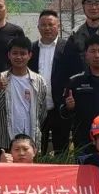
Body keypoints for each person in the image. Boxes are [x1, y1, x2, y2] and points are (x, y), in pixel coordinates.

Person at [0, 35, 51, 158]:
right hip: (6, 142)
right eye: (15, 53)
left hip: (31, 143)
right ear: (9, 55)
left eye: (23, 53)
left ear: (30, 55)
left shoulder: (39, 81)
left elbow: (42, 112)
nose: (19, 57)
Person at [30, 10, 82, 153]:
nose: (47, 28)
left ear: (58, 26)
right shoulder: (31, 49)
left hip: (61, 107)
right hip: (37, 108)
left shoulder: (69, 48)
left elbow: (77, 75)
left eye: (51, 25)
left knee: (62, 149)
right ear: (38, 27)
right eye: (43, 25)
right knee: (36, 149)